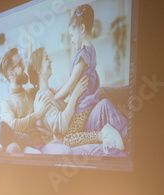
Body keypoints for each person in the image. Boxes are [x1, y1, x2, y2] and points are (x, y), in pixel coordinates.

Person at [54, 4, 126, 153]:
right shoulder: (91, 50)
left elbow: (71, 84)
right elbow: (69, 81)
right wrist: (56, 90)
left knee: (67, 139)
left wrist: (54, 98)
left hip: (83, 108)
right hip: (88, 105)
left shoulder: (83, 55)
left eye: (72, 36)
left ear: (81, 29)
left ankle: (101, 135)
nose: (72, 40)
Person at [27, 48, 89, 149]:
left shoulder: (49, 92)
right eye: (46, 58)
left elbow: (66, 86)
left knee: (102, 94)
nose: (50, 60)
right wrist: (75, 95)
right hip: (61, 143)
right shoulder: (42, 99)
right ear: (38, 70)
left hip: (71, 133)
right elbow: (61, 126)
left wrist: (75, 76)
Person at [0, 47, 50, 153]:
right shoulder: (7, 103)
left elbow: (50, 92)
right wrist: (37, 115)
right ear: (11, 74)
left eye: (22, 61)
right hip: (27, 146)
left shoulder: (31, 93)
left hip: (43, 143)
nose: (24, 65)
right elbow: (12, 125)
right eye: (19, 64)